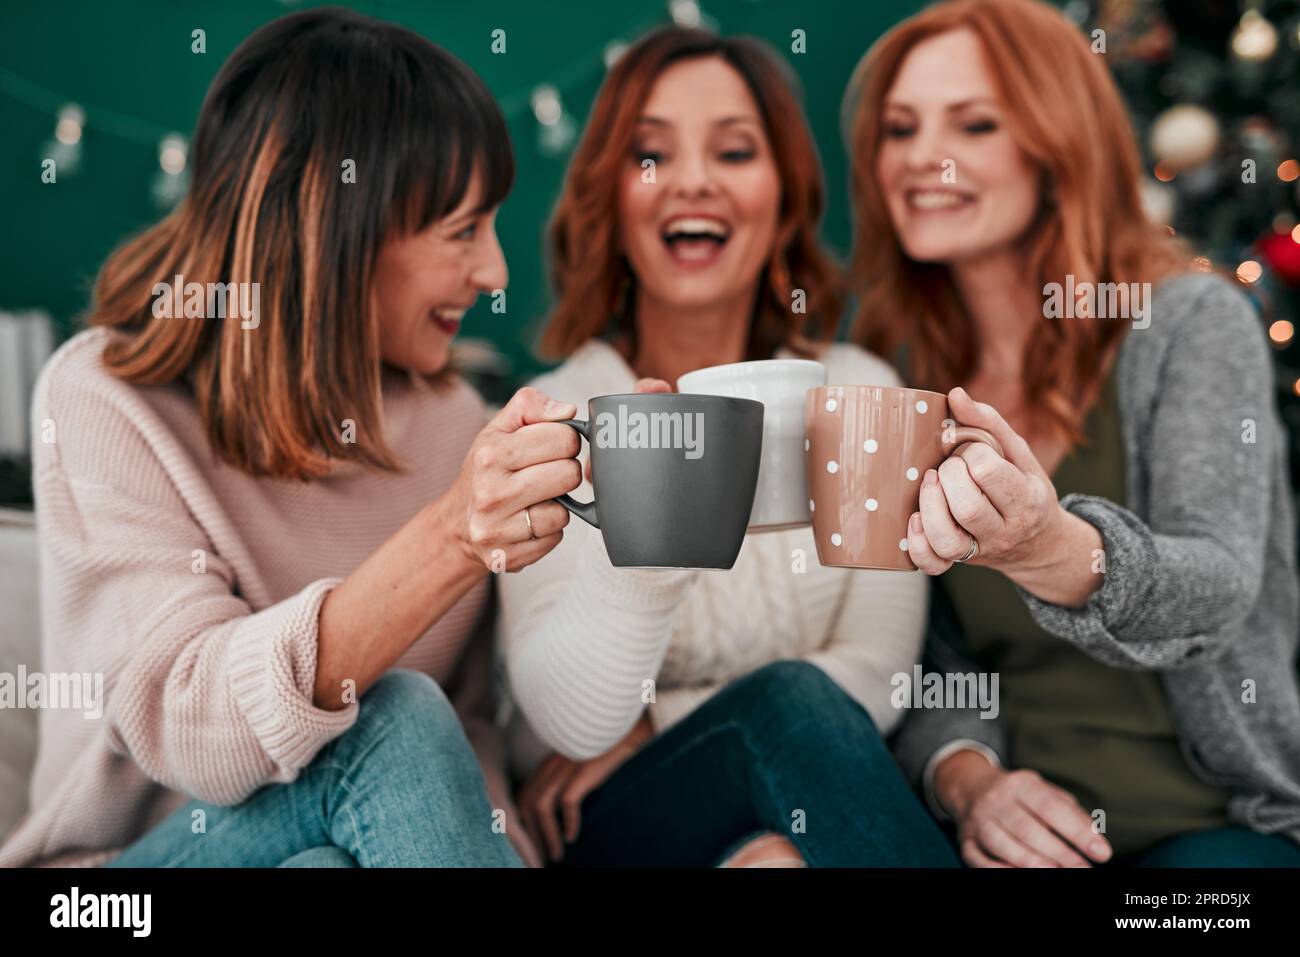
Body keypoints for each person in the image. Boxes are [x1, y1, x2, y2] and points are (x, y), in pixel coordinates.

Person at [0, 8, 583, 868]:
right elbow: (193, 726)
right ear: (333, 231)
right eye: (461, 231)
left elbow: (467, 738)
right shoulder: (106, 400)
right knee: (393, 715)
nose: (495, 273)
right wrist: (452, 534)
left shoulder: (457, 420)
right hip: (109, 888)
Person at [846, 0, 1300, 867]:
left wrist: (1047, 545)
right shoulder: (889, 370)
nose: (919, 159)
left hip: (1216, 832)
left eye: (974, 123)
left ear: (1058, 146)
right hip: (1009, 841)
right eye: (899, 129)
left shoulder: (1188, 321)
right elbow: (926, 655)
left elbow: (1220, 583)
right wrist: (970, 781)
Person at [497, 26, 957, 868]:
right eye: (652, 156)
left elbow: (884, 672)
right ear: (612, 194)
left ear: (784, 197)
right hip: (620, 820)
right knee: (791, 701)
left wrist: (662, 720)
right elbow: (564, 724)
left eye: (735, 151)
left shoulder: (861, 394)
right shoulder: (557, 415)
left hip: (808, 799)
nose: (694, 181)